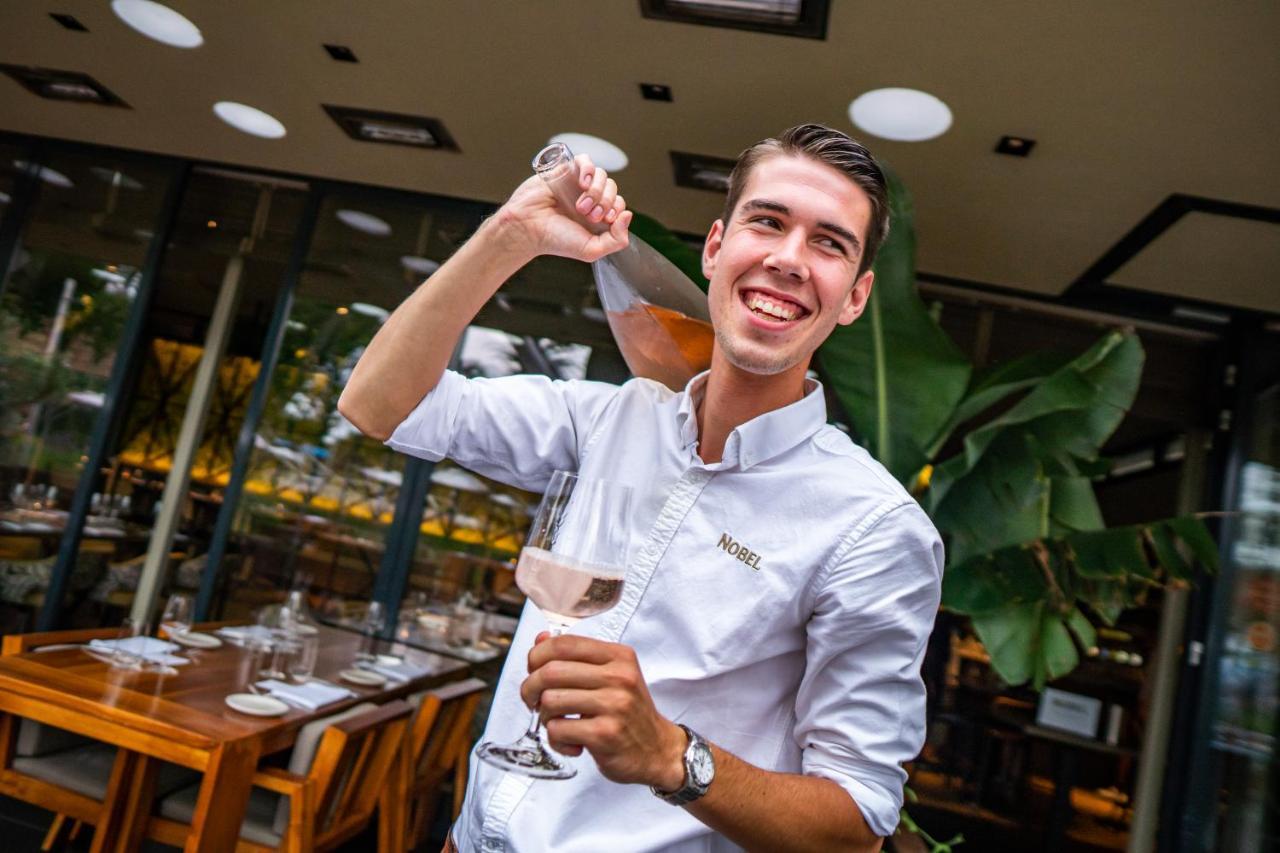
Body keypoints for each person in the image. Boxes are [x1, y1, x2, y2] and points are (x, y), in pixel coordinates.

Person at [339, 124, 943, 853]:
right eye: (768, 222)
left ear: (855, 296)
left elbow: (855, 824)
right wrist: (511, 234)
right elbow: (379, 404)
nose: (787, 259)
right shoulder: (609, 419)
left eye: (829, 243)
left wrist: (669, 754)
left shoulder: (875, 527)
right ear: (716, 247)